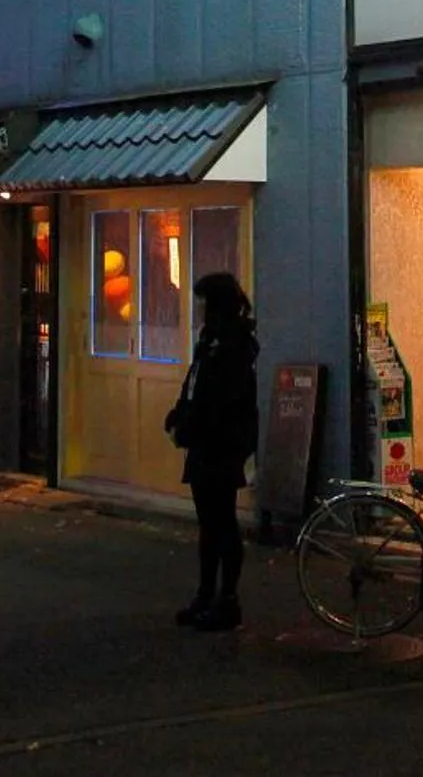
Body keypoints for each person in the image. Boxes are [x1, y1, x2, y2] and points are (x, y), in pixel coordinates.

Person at [165, 270, 259, 630]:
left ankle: (226, 600)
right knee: (210, 521)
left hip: (222, 442)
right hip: (208, 441)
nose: (199, 308)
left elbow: (224, 398)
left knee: (221, 520)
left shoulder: (234, 343)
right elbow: (196, 380)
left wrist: (191, 422)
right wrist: (179, 411)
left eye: (203, 301)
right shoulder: (212, 340)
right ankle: (207, 595)